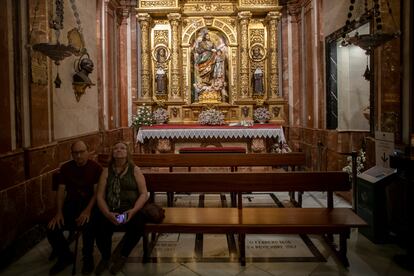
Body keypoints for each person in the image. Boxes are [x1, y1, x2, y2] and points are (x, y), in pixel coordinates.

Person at [47, 140, 102, 275]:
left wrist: (87, 211)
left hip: (90, 205)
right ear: (72, 154)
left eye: (82, 152)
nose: (78, 156)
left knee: (88, 225)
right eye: (75, 153)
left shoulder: (96, 168)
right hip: (71, 204)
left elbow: (97, 193)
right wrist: (59, 213)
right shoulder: (66, 168)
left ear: (88, 152)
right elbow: (61, 191)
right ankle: (65, 256)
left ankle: (88, 258)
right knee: (52, 228)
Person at [94, 141, 149, 275]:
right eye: (116, 148)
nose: (119, 150)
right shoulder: (106, 171)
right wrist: (107, 214)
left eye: (122, 148)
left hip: (130, 209)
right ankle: (106, 257)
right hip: (111, 209)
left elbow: (144, 193)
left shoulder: (135, 170)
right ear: (112, 153)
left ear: (127, 152)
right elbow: (100, 196)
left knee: (138, 225)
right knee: (98, 224)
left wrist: (133, 210)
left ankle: (123, 255)